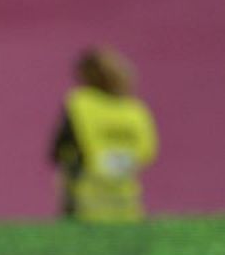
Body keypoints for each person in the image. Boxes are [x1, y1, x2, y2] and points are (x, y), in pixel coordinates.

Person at [50, 47, 157, 221]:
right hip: (125, 199)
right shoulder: (135, 110)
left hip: (85, 195)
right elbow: (147, 150)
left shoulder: (80, 102)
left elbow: (59, 146)